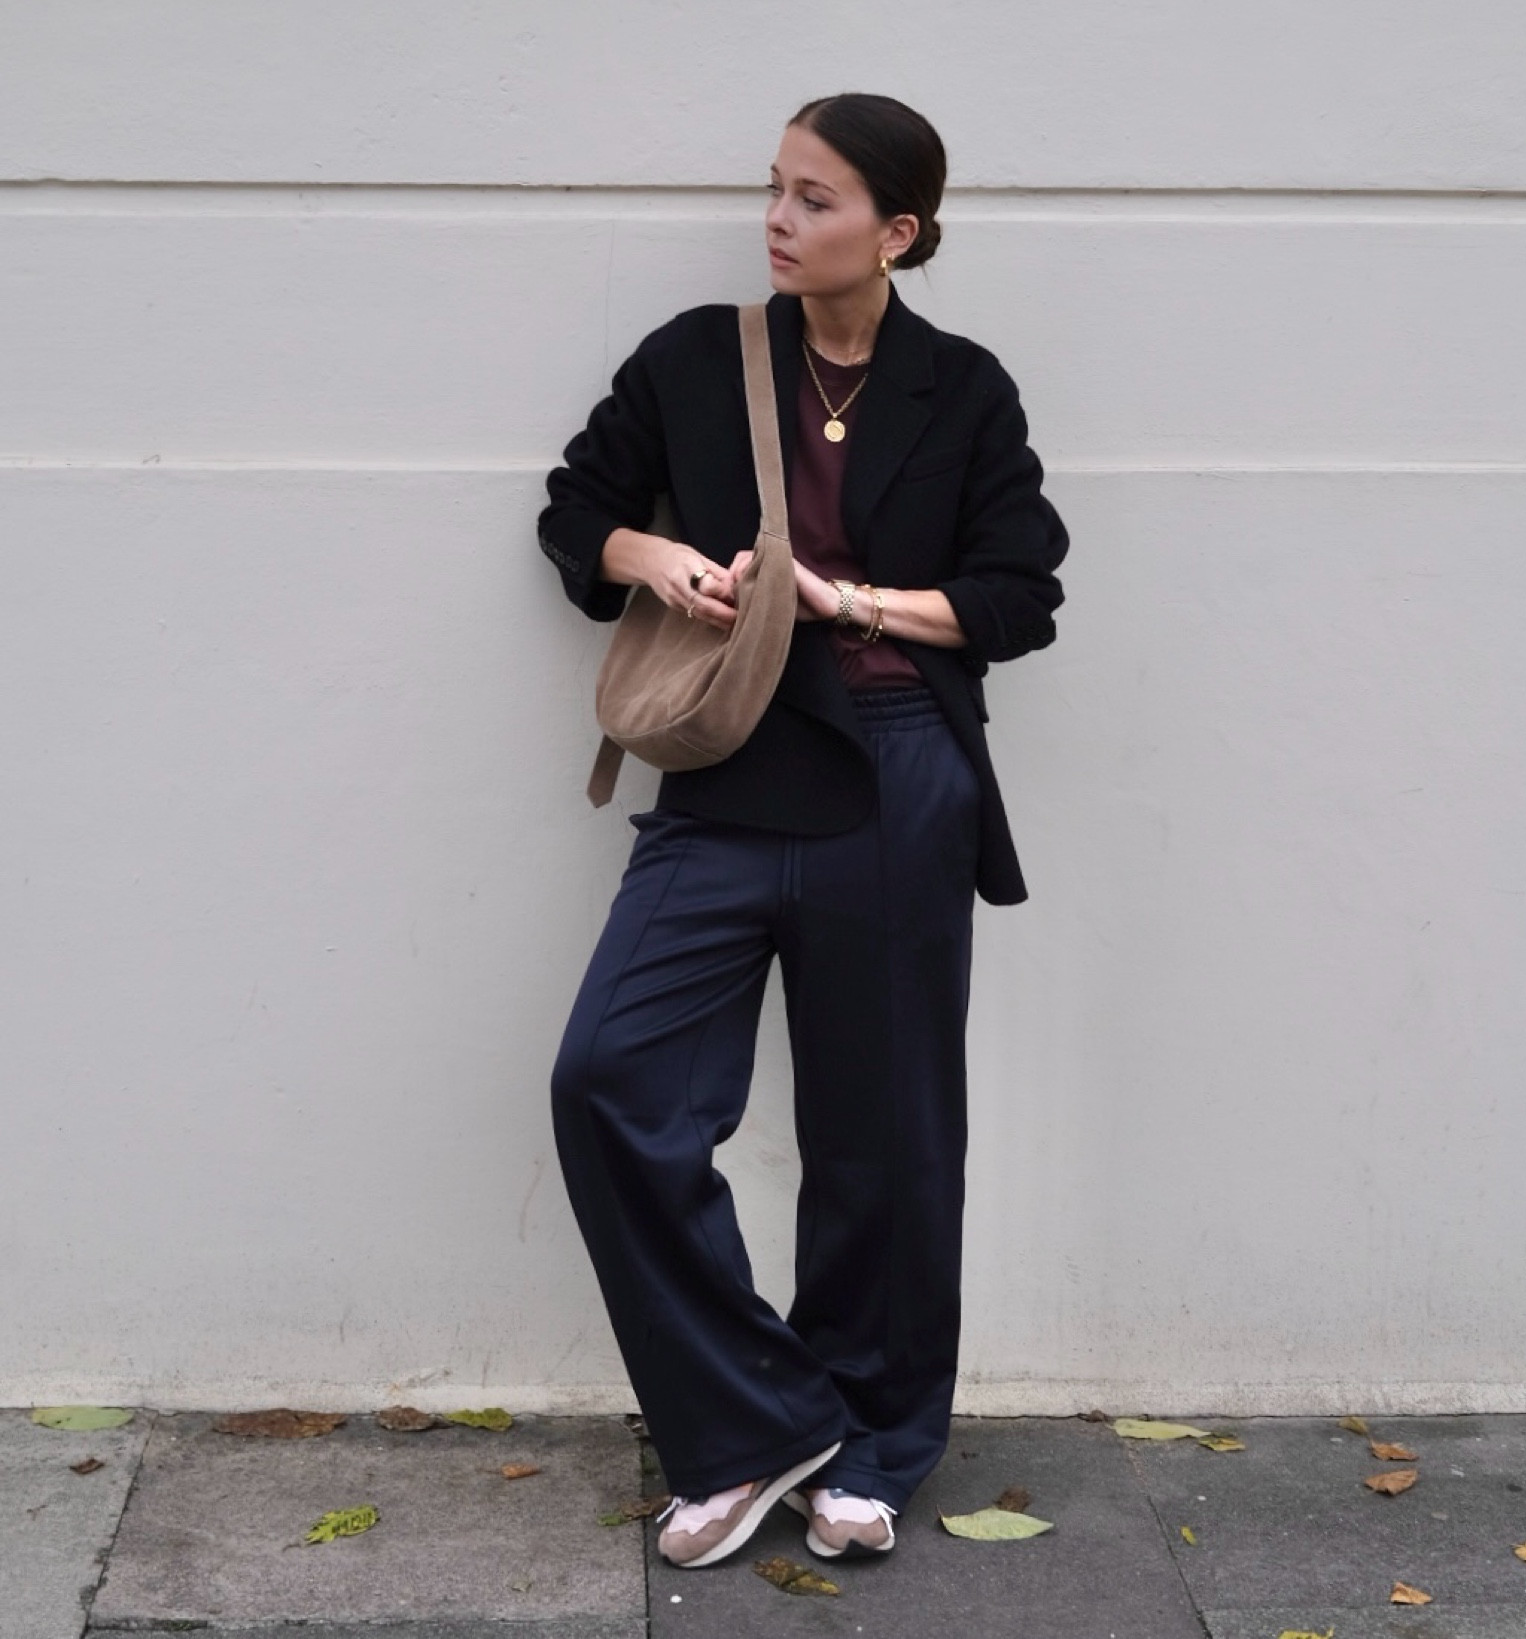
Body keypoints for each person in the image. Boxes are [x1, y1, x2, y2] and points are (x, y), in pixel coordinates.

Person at [538, 92, 1068, 1570]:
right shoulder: (697, 358)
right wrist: (661, 559)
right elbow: (576, 512)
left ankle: (880, 1445)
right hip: (728, 767)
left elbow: (1018, 595)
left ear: (896, 232)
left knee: (884, 1140)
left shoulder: (963, 389)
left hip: (899, 777)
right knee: (610, 1081)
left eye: (814, 199)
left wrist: (855, 603)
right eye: (774, 187)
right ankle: (761, 1422)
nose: (777, 219)